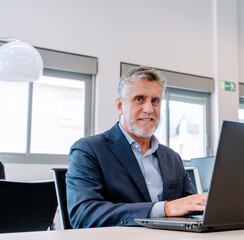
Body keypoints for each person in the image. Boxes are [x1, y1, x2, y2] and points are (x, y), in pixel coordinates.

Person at [66, 66, 207, 228]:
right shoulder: (89, 150)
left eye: (155, 101)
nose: (149, 109)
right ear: (120, 106)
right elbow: (83, 215)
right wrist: (164, 208)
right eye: (139, 99)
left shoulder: (172, 157)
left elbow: (192, 206)